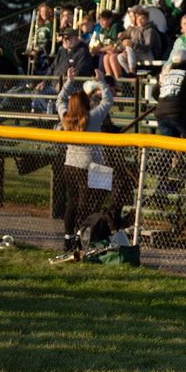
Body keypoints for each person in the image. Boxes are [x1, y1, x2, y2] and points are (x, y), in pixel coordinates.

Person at [56, 67, 113, 252]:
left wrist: (68, 81)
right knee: (87, 204)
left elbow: (59, 100)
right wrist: (101, 81)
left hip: (70, 166)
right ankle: (83, 237)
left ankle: (68, 239)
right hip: (90, 166)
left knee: (72, 203)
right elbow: (108, 100)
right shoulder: (92, 118)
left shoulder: (65, 118)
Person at [155, 49, 186, 139]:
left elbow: (155, 92)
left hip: (160, 113)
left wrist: (166, 100)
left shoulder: (166, 75)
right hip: (181, 113)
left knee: (169, 147)